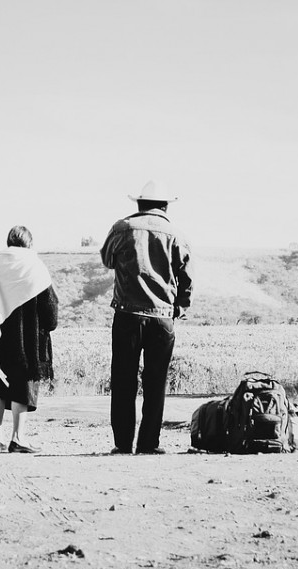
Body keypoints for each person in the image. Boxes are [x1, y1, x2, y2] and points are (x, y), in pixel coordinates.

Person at [100, 180, 193, 455]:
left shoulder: (122, 228)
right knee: (156, 382)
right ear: (165, 206)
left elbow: (107, 259)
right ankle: (149, 443)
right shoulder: (176, 234)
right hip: (162, 317)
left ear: (138, 204)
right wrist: (180, 306)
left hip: (127, 314)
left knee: (123, 380)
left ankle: (122, 444)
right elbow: (186, 276)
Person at [0, 225, 58, 453]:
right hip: (28, 339)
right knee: (23, 385)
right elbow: (50, 313)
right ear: (30, 243)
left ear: (9, 242)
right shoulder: (35, 266)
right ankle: (19, 437)